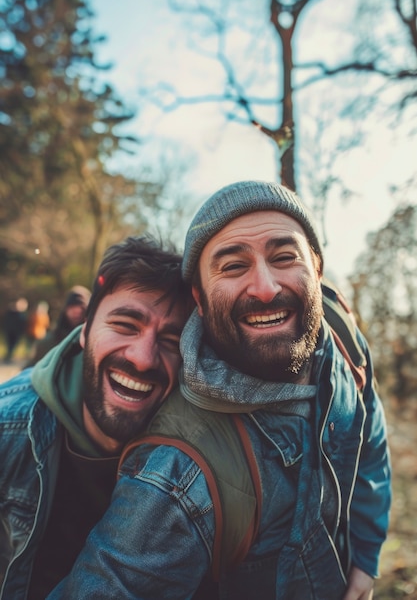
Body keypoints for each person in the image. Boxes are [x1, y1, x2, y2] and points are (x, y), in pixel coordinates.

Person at [48, 181, 391, 600]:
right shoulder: (179, 467)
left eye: (285, 257)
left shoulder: (341, 337)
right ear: (200, 298)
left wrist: (366, 562)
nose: (265, 287)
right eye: (232, 266)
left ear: (317, 271)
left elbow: (369, 437)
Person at [0, 235, 191, 600]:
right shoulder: (7, 430)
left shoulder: (195, 459)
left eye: (170, 340)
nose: (143, 357)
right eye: (125, 325)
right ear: (85, 330)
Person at [26, 285, 91, 366]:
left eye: (81, 308)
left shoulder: (93, 342)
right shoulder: (48, 342)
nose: (76, 312)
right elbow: (32, 369)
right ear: (65, 309)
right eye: (72, 307)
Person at [2, 297, 28, 362]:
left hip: (16, 333)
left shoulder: (22, 314)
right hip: (10, 332)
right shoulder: (11, 313)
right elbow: (6, 322)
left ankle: (9, 356)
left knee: (13, 346)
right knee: (10, 345)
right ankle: (8, 357)